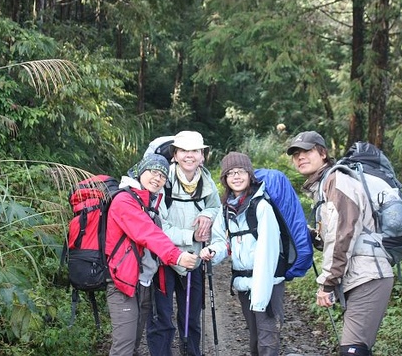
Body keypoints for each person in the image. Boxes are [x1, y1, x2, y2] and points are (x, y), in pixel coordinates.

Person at [286, 131, 394, 356]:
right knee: (357, 348)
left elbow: (343, 235)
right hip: (360, 275)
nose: (300, 157)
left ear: (323, 153)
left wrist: (327, 282)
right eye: (295, 154)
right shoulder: (325, 185)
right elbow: (335, 233)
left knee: (352, 350)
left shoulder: (337, 181)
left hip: (368, 276)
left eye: (306, 151)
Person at [106, 153, 198, 356]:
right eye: (153, 172)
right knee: (124, 347)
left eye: (162, 176)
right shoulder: (125, 200)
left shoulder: (148, 202)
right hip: (122, 284)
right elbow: (148, 234)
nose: (157, 178)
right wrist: (178, 256)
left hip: (142, 283)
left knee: (134, 345)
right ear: (140, 171)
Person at [201, 152, 285, 356]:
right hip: (243, 283)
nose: (236, 177)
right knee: (256, 338)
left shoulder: (262, 206)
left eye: (240, 172)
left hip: (267, 282)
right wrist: (213, 250)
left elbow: (269, 252)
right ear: (225, 179)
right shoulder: (226, 209)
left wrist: (260, 294)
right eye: (230, 174)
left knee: (267, 339)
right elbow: (221, 241)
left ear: (249, 174)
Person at [147, 131, 221, 356]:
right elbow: (159, 227)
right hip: (163, 259)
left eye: (195, 151)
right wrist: (191, 237)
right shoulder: (162, 181)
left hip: (194, 260)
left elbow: (215, 207)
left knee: (191, 318)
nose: (189, 155)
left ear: (202, 156)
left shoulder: (207, 182)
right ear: (175, 155)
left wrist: (207, 214)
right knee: (162, 318)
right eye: (184, 151)